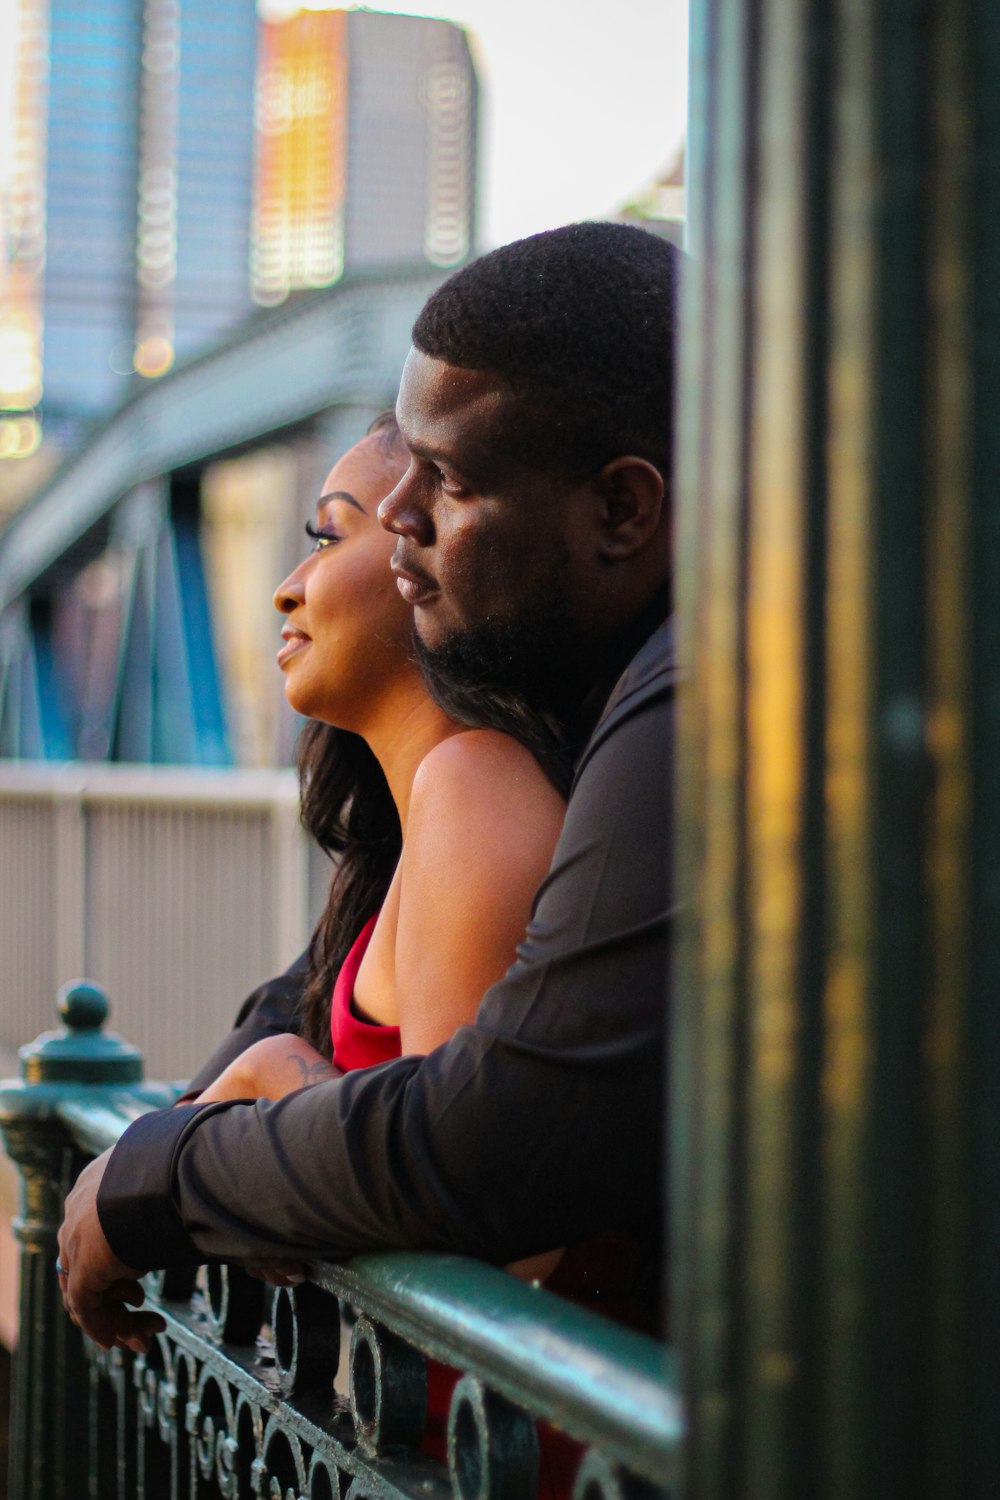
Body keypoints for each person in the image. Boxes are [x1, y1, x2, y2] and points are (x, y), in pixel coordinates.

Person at [57, 220, 679, 1361]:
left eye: (443, 482)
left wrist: (162, 1172)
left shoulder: (693, 694)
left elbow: (494, 1146)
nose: (402, 520)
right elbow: (303, 999)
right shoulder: (603, 707)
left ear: (623, 512)